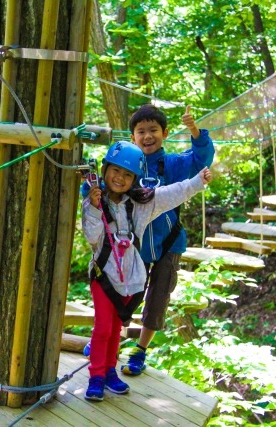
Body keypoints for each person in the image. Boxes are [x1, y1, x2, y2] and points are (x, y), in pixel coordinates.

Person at [83, 104, 215, 377]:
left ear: (165, 133)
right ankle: (109, 340)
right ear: (133, 137)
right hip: (133, 246)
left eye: (153, 130)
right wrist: (89, 188)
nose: (147, 136)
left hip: (170, 243)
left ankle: (140, 350)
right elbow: (106, 187)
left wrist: (194, 130)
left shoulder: (175, 164)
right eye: (141, 131)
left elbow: (202, 159)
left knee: (158, 297)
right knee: (125, 293)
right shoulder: (126, 166)